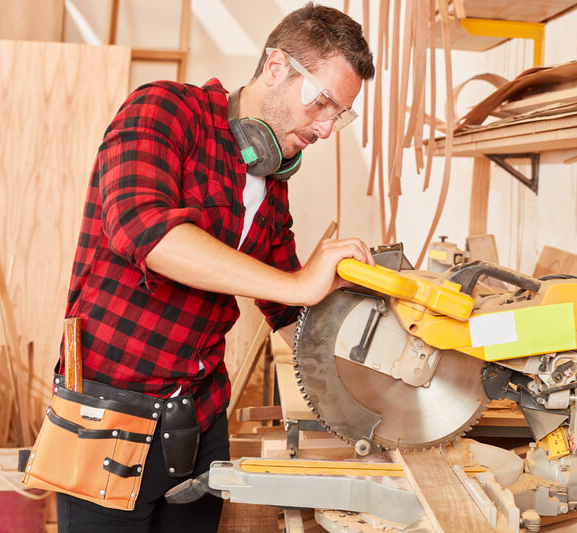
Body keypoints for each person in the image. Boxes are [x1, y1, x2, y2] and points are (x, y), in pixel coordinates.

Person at [54, 3, 374, 532]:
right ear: (276, 67)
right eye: (320, 103)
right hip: (111, 413)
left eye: (338, 114)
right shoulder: (163, 109)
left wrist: (375, 349)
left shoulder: (270, 183)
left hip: (199, 420)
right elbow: (143, 230)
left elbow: (289, 307)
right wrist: (299, 282)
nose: (325, 128)